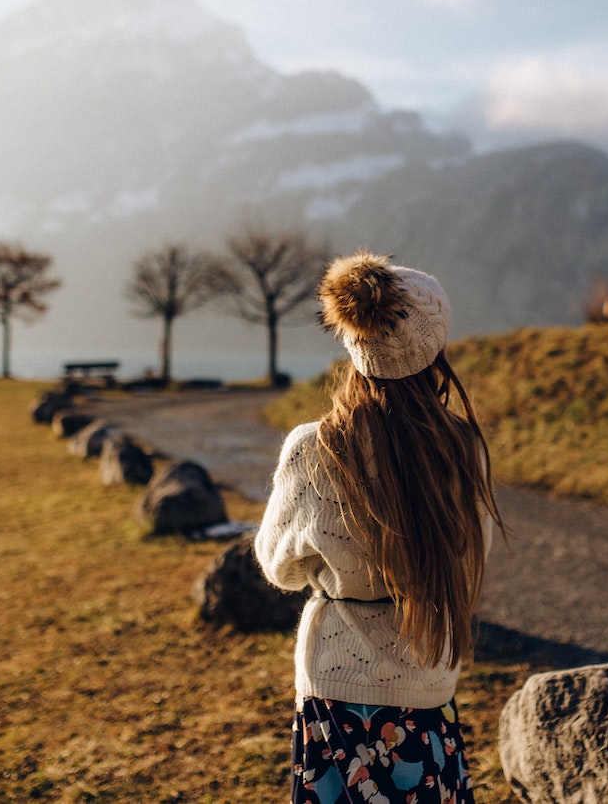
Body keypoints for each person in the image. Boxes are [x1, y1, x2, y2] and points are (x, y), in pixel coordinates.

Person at [255, 250, 504, 804]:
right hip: (428, 682)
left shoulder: (314, 449)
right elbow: (470, 559)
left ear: (355, 344)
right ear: (434, 349)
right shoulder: (464, 450)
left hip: (337, 690)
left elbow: (279, 567)